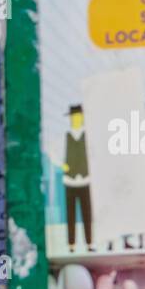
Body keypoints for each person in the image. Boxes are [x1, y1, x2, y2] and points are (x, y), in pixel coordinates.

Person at [61, 104, 94, 252]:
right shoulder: (65, 136)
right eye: (74, 117)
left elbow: (94, 154)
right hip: (70, 181)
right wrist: (63, 165)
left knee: (87, 213)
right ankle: (71, 244)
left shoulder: (88, 136)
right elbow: (53, 151)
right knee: (71, 214)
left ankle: (89, 243)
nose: (76, 120)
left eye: (79, 117)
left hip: (86, 180)